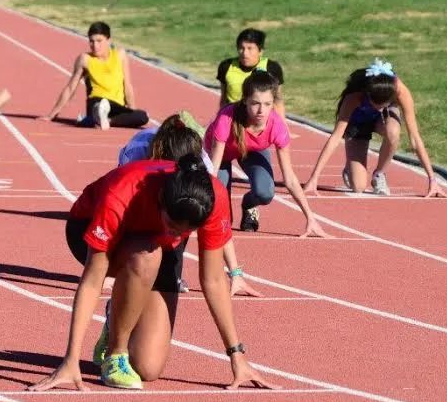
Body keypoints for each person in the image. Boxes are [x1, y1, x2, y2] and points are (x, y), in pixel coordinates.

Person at [28, 155, 277, 392]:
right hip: (88, 228)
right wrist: (70, 359)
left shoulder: (212, 198)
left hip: (154, 246)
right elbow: (93, 281)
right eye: (171, 226)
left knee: (148, 368)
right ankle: (116, 354)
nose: (176, 235)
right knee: (148, 255)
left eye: (184, 233)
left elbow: (212, 279)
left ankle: (118, 312)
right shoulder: (122, 193)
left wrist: (237, 355)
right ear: (160, 199)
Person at [117, 111, 263, 298]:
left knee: (168, 280)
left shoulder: (204, 169)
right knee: (139, 258)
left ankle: (168, 275)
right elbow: (123, 209)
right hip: (142, 184)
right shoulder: (136, 154)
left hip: (175, 192)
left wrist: (235, 273)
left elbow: (220, 224)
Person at [205, 70, 327, 236]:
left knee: (265, 193)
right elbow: (213, 171)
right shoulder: (227, 118)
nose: (261, 110)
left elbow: (289, 178)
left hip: (253, 150)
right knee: (223, 217)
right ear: (245, 100)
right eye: (255, 103)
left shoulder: (277, 126)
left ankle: (249, 204)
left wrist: (310, 217)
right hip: (222, 154)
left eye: (268, 104)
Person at [303, 58, 447, 197]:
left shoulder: (401, 92)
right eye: (374, 105)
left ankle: (379, 174)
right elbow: (334, 138)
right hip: (358, 123)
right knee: (358, 186)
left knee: (393, 132)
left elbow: (415, 138)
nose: (378, 109)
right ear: (367, 94)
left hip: (383, 121)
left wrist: (432, 180)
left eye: (383, 106)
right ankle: (350, 167)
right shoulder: (354, 98)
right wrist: (314, 178)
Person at [39, 21, 148, 130]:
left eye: (99, 41)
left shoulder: (120, 55)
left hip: (116, 106)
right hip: (96, 102)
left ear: (108, 40)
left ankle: (104, 120)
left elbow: (127, 85)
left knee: (143, 117)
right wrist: (52, 114)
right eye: (91, 41)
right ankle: (97, 117)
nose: (95, 46)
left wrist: (132, 112)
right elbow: (70, 87)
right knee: (101, 105)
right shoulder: (85, 59)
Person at [217, 28, 285, 118]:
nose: (245, 53)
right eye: (241, 48)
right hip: (234, 117)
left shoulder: (272, 68)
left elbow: (277, 100)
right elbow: (224, 99)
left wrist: (283, 126)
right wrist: (220, 118)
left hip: (261, 118)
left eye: (250, 48)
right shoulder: (226, 67)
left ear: (260, 51)